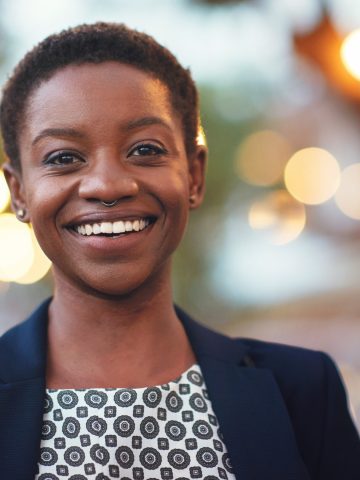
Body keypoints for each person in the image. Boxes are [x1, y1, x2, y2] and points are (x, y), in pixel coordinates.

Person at [0, 22, 359, 480]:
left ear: (194, 175)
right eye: (64, 157)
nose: (108, 184)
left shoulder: (302, 392)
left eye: (145, 149)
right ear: (20, 193)